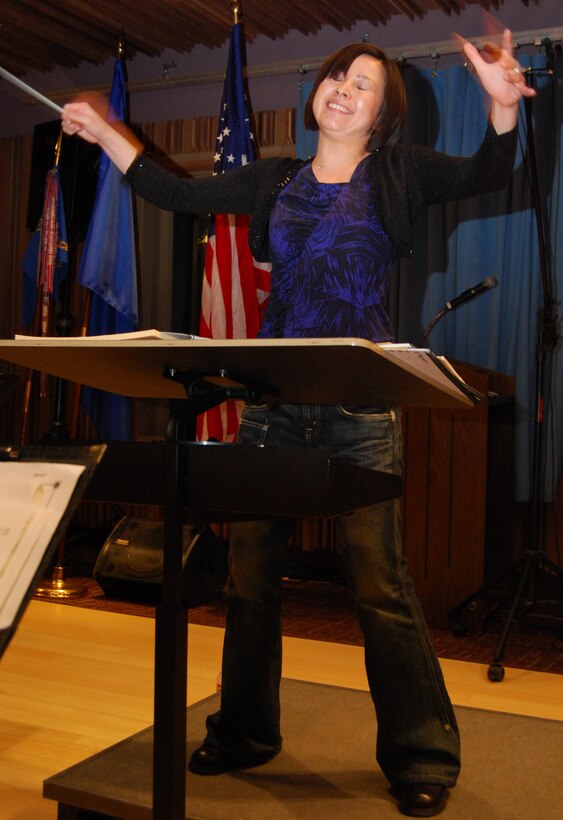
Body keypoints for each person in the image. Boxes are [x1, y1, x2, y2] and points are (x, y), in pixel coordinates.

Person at [62, 29, 534, 817]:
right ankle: (245, 731)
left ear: (383, 115)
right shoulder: (274, 181)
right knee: (250, 578)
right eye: (335, 77)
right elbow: (175, 195)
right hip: (271, 409)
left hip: (359, 409)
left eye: (365, 85)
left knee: (380, 585)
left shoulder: (399, 173)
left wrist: (498, 103)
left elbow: (491, 169)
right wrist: (107, 129)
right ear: (316, 94)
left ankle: (419, 752)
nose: (343, 89)